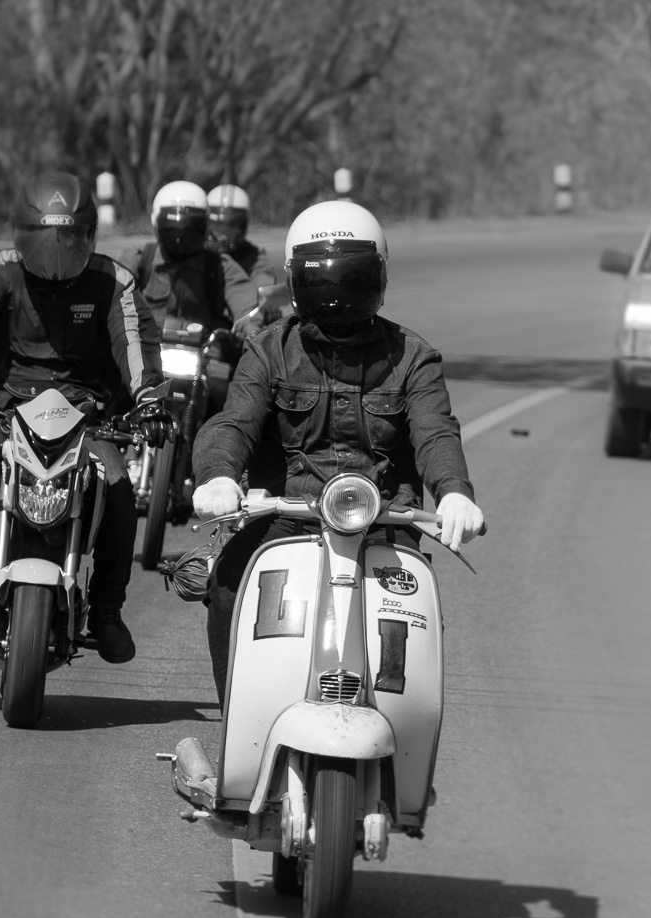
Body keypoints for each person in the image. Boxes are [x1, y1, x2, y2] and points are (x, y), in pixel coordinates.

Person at [190, 200, 485, 702]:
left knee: (418, 618)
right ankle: (237, 725)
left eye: (350, 276)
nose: (336, 294)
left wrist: (455, 493)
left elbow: (436, 432)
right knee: (227, 585)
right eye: (322, 278)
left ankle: (402, 741)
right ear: (296, 279)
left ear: (378, 276)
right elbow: (233, 422)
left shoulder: (414, 358)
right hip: (286, 516)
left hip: (386, 520)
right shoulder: (267, 350)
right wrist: (218, 475)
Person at [0, 170, 168, 663]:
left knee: (119, 493)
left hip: (84, 412)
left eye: (71, 239)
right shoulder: (2, 269)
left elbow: (135, 344)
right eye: (45, 240)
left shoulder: (112, 281)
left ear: (89, 237)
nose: (58, 254)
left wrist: (149, 399)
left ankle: (107, 610)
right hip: (6, 407)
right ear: (22, 236)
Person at [122, 181, 262, 414]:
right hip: (144, 355)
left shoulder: (219, 266)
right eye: (173, 229)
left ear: (206, 225)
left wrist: (255, 331)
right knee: (112, 391)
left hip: (204, 358)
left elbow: (246, 305)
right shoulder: (138, 260)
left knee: (235, 399)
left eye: (191, 229)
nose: (181, 239)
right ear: (156, 225)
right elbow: (111, 295)